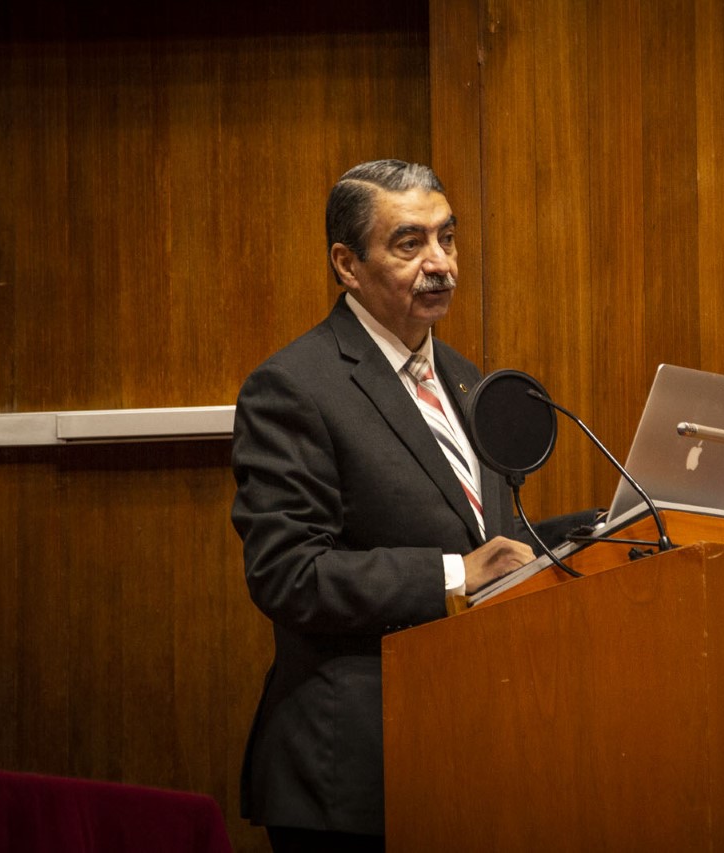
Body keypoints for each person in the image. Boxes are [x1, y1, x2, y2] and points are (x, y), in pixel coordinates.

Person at [231, 159, 551, 852]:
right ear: (347, 264)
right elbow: (287, 572)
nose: (441, 264)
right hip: (350, 775)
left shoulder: (468, 379)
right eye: (410, 244)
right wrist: (454, 576)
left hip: (467, 758)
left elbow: (492, 543)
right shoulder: (294, 386)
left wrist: (602, 534)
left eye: (448, 238)